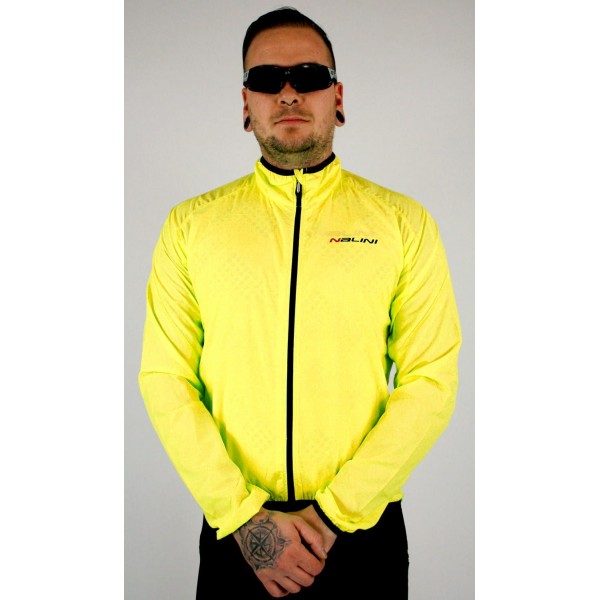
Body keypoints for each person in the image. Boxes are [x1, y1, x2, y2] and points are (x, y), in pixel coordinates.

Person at [139, 7, 461, 598]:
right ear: (246, 104)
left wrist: (334, 513)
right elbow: (166, 379)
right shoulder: (190, 226)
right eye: (266, 80)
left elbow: (431, 379)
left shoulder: (402, 223)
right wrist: (243, 517)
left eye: (308, 76)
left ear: (337, 96)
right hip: (239, 533)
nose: (288, 92)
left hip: (362, 534)